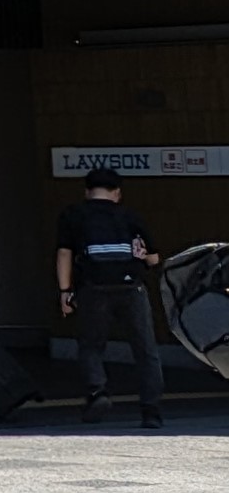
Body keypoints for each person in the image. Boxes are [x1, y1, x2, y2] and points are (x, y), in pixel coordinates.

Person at [55, 168, 164, 427]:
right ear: (117, 193)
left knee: (91, 345)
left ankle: (98, 392)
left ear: (87, 191)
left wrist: (65, 291)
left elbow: (64, 254)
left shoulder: (73, 215)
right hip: (131, 288)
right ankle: (151, 411)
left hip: (93, 289)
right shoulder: (129, 216)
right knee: (146, 350)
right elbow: (154, 258)